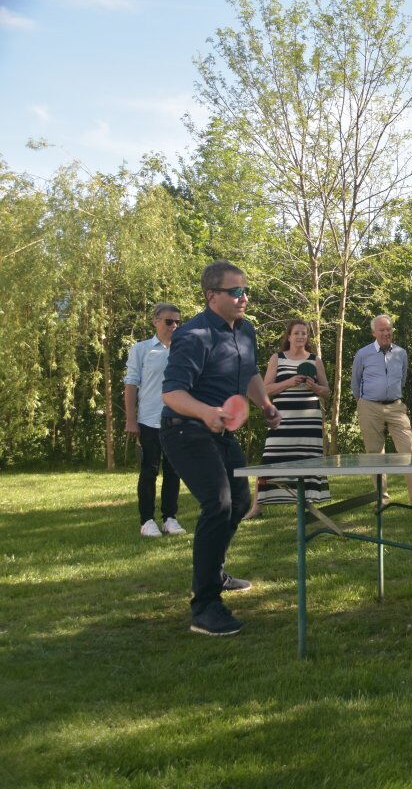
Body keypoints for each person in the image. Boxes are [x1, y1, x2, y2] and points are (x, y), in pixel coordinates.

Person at [160, 260, 280, 636]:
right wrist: (206, 412)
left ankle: (215, 572)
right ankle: (205, 607)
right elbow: (172, 393)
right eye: (235, 291)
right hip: (185, 430)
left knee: (240, 502)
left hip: (220, 432)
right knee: (219, 503)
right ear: (212, 296)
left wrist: (265, 405)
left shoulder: (245, 330)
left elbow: (250, 373)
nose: (244, 298)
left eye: (246, 291)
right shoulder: (193, 335)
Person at [243, 319, 331, 519]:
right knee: (269, 460)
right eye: (296, 333)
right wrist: (289, 382)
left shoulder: (315, 360)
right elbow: (265, 389)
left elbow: (326, 391)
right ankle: (257, 507)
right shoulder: (277, 358)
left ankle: (306, 505)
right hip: (282, 420)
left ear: (307, 337)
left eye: (304, 333)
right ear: (289, 336)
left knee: (309, 462)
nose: (300, 336)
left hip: (309, 422)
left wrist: (315, 387)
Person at [350, 315, 412, 508]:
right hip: (369, 406)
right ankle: (381, 499)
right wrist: (362, 402)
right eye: (381, 330)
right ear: (374, 332)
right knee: (375, 454)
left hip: (396, 406)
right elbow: (355, 382)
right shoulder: (363, 354)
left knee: (408, 449)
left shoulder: (401, 353)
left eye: (388, 329)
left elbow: (402, 378)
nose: (386, 333)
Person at [124, 302, 186, 538]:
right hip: (149, 419)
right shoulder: (142, 349)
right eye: (169, 321)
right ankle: (147, 521)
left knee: (174, 471)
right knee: (149, 470)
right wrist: (131, 419)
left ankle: (170, 518)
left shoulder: (183, 350)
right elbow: (131, 384)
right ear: (155, 321)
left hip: (177, 419)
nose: (174, 326)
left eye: (178, 322)